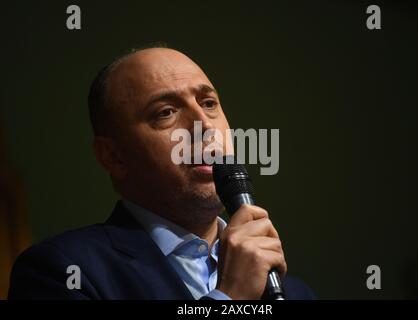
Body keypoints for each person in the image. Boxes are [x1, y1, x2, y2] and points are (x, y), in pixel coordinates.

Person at [8, 46, 314, 300]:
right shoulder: (62, 272)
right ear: (114, 156)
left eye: (208, 103)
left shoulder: (295, 293)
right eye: (165, 112)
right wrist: (229, 297)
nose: (204, 125)